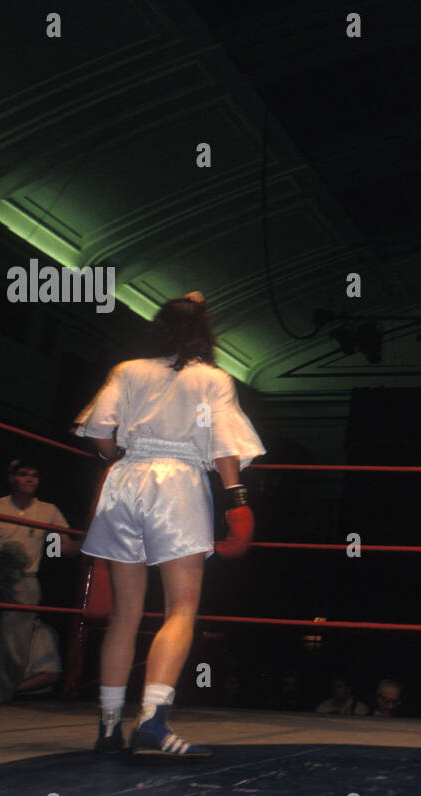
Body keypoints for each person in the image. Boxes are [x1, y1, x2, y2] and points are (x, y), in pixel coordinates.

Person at [75, 292, 265, 758]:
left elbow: (100, 431)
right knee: (181, 608)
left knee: (125, 612)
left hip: (125, 480)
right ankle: (153, 722)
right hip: (177, 484)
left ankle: (106, 729)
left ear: (157, 329)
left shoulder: (127, 370)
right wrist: (236, 499)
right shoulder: (212, 379)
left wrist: (115, 456)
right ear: (206, 334)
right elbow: (223, 442)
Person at [0, 459, 79, 702]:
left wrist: (95, 535)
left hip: (24, 578)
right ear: (11, 478)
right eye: (23, 474)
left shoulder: (48, 510)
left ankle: (0, 700)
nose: (28, 479)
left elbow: (65, 548)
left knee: (16, 647)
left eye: (34, 475)